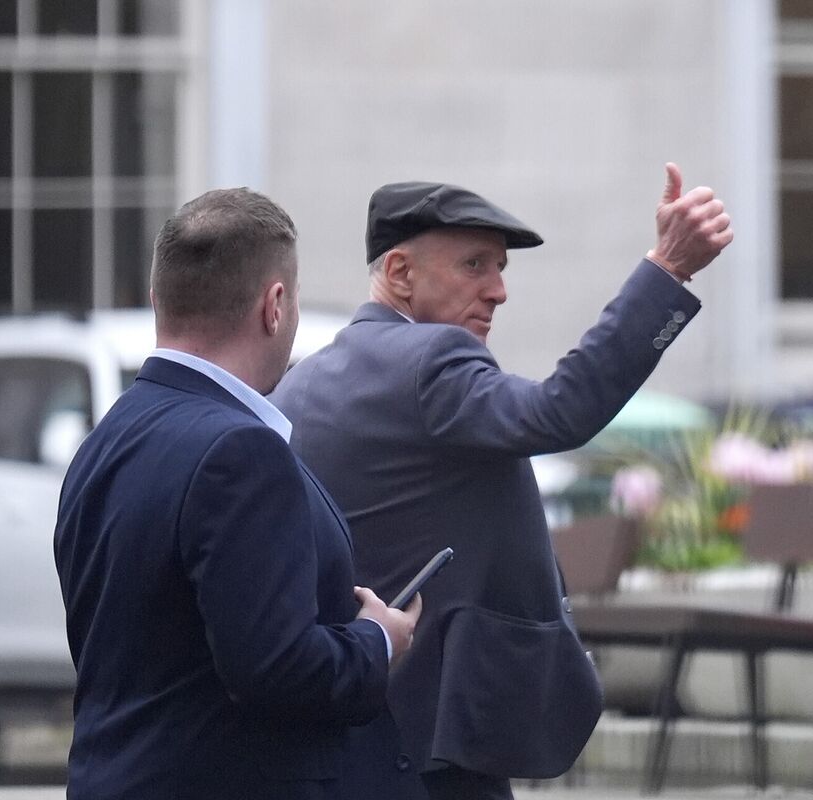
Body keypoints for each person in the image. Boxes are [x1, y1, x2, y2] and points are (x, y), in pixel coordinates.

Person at [270, 165, 732, 799]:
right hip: (440, 730)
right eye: (474, 266)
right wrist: (667, 273)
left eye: (500, 269)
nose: (498, 291)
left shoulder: (304, 381)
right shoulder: (432, 358)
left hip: (350, 720)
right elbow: (557, 411)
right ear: (401, 273)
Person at [53, 188, 426, 800]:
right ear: (275, 305)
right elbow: (276, 672)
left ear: (158, 300)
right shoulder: (241, 451)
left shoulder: (103, 443)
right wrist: (378, 639)